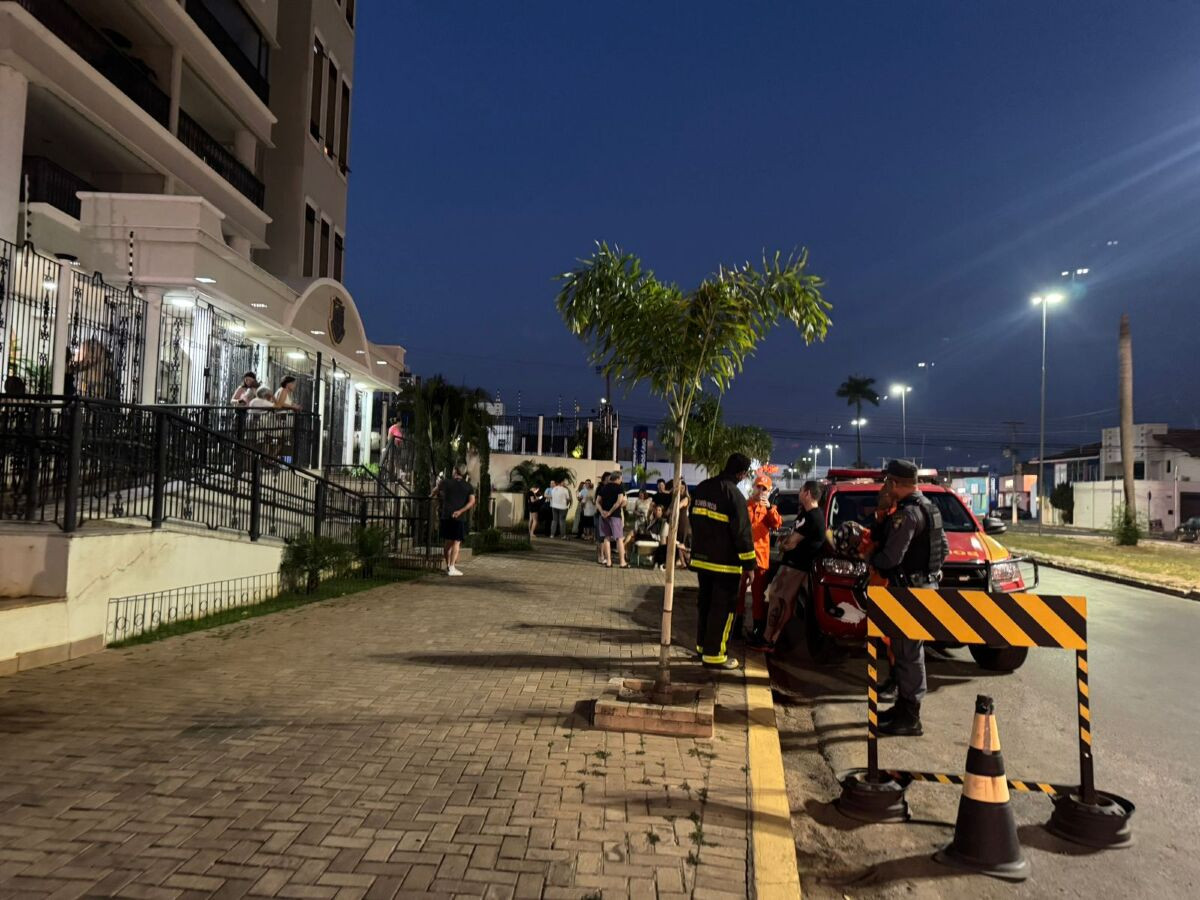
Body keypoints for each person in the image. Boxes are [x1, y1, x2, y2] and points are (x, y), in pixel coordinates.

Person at [867, 459, 949, 737]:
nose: (885, 486)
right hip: (924, 588)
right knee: (907, 651)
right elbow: (944, 549)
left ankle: (910, 716)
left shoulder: (908, 514)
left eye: (887, 481)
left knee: (908, 654)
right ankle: (904, 708)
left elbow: (890, 557)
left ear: (895, 483)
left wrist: (870, 558)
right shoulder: (930, 509)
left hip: (910, 592)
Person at [689, 453, 756, 670]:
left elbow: (693, 519)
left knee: (705, 604)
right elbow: (742, 534)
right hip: (725, 564)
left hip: (702, 560)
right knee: (723, 608)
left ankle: (702, 648)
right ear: (741, 473)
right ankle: (715, 655)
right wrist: (749, 565)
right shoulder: (734, 495)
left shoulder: (702, 487)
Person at [757, 480, 825, 652]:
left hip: (795, 566)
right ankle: (774, 638)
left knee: (775, 596)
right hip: (796, 565)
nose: (799, 493)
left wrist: (782, 545)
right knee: (787, 603)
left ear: (808, 493)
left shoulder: (812, 517)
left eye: (802, 490)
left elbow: (790, 543)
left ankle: (767, 638)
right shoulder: (808, 514)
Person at [737, 475, 782, 646]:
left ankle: (757, 632)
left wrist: (769, 507)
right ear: (753, 488)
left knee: (757, 597)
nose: (761, 491)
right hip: (742, 558)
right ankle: (736, 630)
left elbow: (777, 524)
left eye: (765, 489)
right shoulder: (744, 506)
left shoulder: (769, 509)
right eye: (759, 487)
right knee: (738, 595)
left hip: (760, 560)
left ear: (769, 492)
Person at [436, 465, 476, 576]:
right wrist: (460, 511)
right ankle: (452, 567)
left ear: (455, 471)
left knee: (448, 542)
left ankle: (448, 566)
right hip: (459, 517)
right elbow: (472, 501)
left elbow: (436, 489)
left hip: (446, 515)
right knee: (456, 542)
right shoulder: (468, 486)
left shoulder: (446, 482)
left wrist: (431, 495)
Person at [596, 470, 628, 568]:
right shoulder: (620, 487)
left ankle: (609, 562)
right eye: (621, 478)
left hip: (603, 516)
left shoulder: (604, 487)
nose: (621, 480)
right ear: (618, 478)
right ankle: (622, 562)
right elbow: (619, 502)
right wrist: (610, 512)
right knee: (619, 539)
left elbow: (597, 502)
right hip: (615, 516)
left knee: (606, 538)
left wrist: (602, 512)